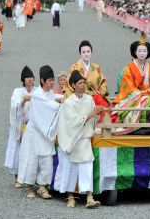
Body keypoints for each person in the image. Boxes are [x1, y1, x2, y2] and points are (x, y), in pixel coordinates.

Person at [54, 70, 103, 208]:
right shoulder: (69, 103)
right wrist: (93, 113)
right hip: (73, 141)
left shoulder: (89, 99)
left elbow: (93, 119)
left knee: (87, 167)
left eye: (84, 82)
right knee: (71, 169)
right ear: (73, 85)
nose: (83, 85)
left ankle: (89, 197)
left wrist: (94, 126)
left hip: (85, 139)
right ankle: (70, 196)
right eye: (80, 83)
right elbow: (72, 122)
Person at [17, 65, 63, 199]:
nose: (51, 82)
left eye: (52, 80)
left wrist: (62, 99)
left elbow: (53, 99)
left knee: (46, 160)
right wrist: (60, 104)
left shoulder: (51, 94)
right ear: (42, 80)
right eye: (49, 80)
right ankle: (30, 187)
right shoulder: (37, 95)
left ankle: (43, 187)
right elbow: (48, 105)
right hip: (35, 132)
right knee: (32, 159)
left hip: (46, 134)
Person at [65, 40, 112, 122]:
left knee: (103, 104)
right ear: (80, 53)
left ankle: (103, 124)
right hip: (81, 97)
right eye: (83, 52)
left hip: (95, 95)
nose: (86, 54)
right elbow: (69, 84)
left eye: (88, 51)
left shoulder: (96, 67)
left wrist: (102, 91)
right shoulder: (75, 67)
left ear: (91, 52)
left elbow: (102, 81)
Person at [4, 66, 35, 187]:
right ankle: (17, 177)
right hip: (19, 125)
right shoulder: (18, 91)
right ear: (23, 79)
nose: (30, 79)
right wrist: (23, 101)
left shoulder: (37, 91)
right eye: (27, 77)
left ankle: (30, 178)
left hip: (32, 125)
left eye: (31, 77)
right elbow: (14, 107)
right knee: (18, 151)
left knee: (31, 151)